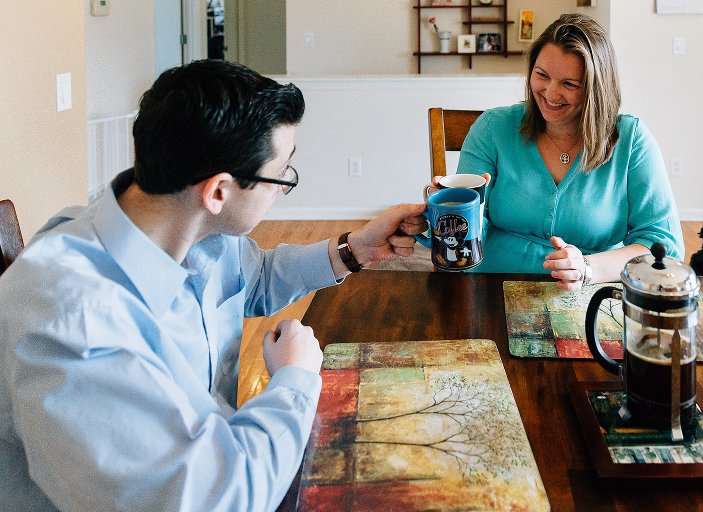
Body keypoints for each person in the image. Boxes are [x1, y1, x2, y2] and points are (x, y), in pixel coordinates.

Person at [0, 60, 426, 511]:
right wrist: (295, 378)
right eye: (281, 174)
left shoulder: (189, 229)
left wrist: (355, 249)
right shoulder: (73, 322)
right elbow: (218, 498)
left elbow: (256, 277)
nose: (283, 187)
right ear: (219, 191)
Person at [453, 13, 684, 290]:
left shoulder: (632, 139)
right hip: (492, 286)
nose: (550, 93)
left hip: (591, 293)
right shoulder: (493, 128)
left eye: (569, 84)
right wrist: (437, 216)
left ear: (595, 90)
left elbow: (664, 247)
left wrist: (588, 268)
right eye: (542, 75)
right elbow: (464, 222)